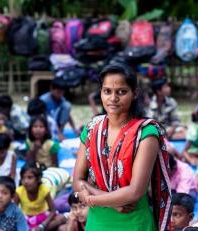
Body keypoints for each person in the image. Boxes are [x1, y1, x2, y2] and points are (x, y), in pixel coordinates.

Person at [73, 63, 171, 230]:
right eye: (107, 91)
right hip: (97, 222)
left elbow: (135, 192)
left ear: (134, 94)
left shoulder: (145, 132)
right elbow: (77, 180)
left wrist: (91, 199)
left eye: (122, 92)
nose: (113, 98)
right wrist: (113, 202)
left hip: (133, 221)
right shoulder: (91, 129)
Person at [14, 162, 64, 230]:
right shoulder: (19, 191)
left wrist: (42, 225)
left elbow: (53, 210)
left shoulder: (44, 190)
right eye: (23, 178)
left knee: (61, 218)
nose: (25, 181)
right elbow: (13, 211)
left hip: (42, 217)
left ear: (38, 179)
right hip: (26, 219)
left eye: (30, 177)